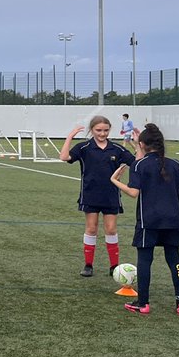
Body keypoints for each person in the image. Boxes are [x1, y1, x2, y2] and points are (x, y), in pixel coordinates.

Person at [111, 124, 179, 315]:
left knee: (145, 260)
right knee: (175, 260)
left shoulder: (139, 165)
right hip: (172, 220)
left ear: (142, 144)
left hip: (149, 220)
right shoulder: (175, 164)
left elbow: (134, 193)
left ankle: (143, 303)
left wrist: (115, 181)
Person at [60, 115, 137, 278]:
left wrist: (138, 144)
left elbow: (137, 163)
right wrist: (69, 137)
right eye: (98, 130)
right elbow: (64, 157)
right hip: (90, 195)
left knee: (111, 229)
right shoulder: (84, 147)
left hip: (111, 196)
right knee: (91, 229)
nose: (102, 134)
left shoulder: (117, 149)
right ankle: (88, 265)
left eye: (106, 130)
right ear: (92, 130)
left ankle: (114, 266)